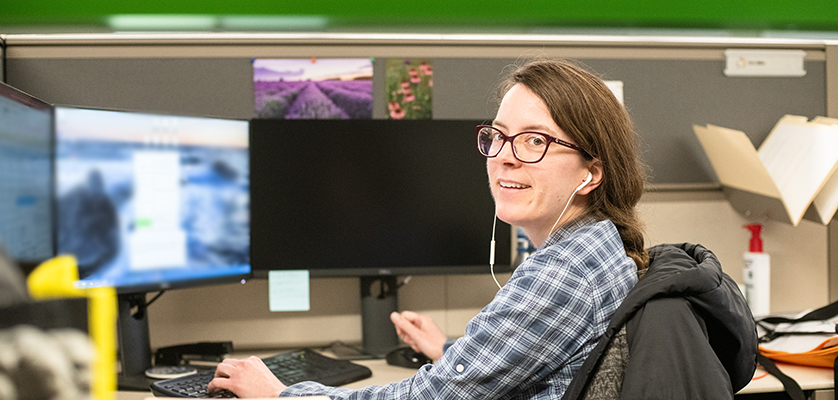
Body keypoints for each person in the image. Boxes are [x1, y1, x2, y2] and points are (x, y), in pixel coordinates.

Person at [207, 57, 648, 399]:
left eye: (536, 140)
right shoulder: (595, 244)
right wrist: (450, 350)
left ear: (591, 173)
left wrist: (281, 393)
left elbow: (429, 397)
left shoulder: (561, 274)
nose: (505, 156)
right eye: (499, 135)